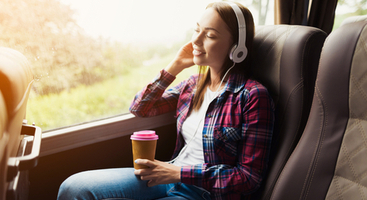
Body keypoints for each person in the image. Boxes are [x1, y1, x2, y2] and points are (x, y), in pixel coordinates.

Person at [57, 2, 274, 200]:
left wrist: (179, 173)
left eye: (210, 35)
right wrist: (175, 66)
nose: (195, 40)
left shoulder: (252, 96)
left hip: (203, 193)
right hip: (168, 176)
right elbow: (140, 107)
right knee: (73, 188)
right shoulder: (193, 85)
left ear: (237, 48)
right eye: (197, 30)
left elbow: (248, 178)